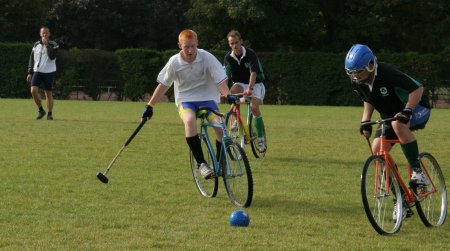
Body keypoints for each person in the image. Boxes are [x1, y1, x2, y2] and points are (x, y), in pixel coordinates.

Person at [345, 44, 431, 221]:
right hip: (390, 114)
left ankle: (418, 172)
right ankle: (401, 200)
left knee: (400, 125)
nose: (355, 76)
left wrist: (407, 110)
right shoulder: (357, 81)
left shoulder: (387, 72)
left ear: (370, 65)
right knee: (377, 150)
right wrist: (365, 121)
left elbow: (417, 89)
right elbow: (368, 99)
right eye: (351, 72)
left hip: (416, 106)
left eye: (358, 71)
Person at [141, 29, 234, 179]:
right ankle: (202, 164)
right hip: (186, 100)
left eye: (193, 46)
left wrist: (228, 95)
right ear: (179, 45)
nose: (190, 51)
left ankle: (220, 161)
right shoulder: (174, 62)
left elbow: (220, 80)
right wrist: (150, 106)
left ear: (197, 43)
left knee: (219, 124)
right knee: (190, 121)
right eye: (186, 47)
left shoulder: (207, 57)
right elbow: (164, 84)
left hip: (207, 98)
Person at [224, 30, 266, 152]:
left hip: (256, 83)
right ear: (229, 44)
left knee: (254, 108)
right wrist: (224, 92)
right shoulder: (228, 57)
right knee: (231, 92)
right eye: (232, 43)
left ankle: (261, 138)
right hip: (240, 84)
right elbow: (226, 76)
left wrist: (250, 88)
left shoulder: (250, 53)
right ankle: (236, 120)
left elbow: (253, 73)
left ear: (241, 41)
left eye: (236, 42)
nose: (235, 46)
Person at [26, 26, 59, 120]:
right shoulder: (36, 45)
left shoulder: (54, 44)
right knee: (33, 91)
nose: (44, 34)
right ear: (40, 34)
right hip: (37, 72)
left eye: (46, 33)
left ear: (49, 34)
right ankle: (41, 110)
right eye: (43, 33)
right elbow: (32, 59)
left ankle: (49, 114)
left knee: (48, 93)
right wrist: (30, 72)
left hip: (49, 72)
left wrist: (47, 45)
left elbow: (52, 56)